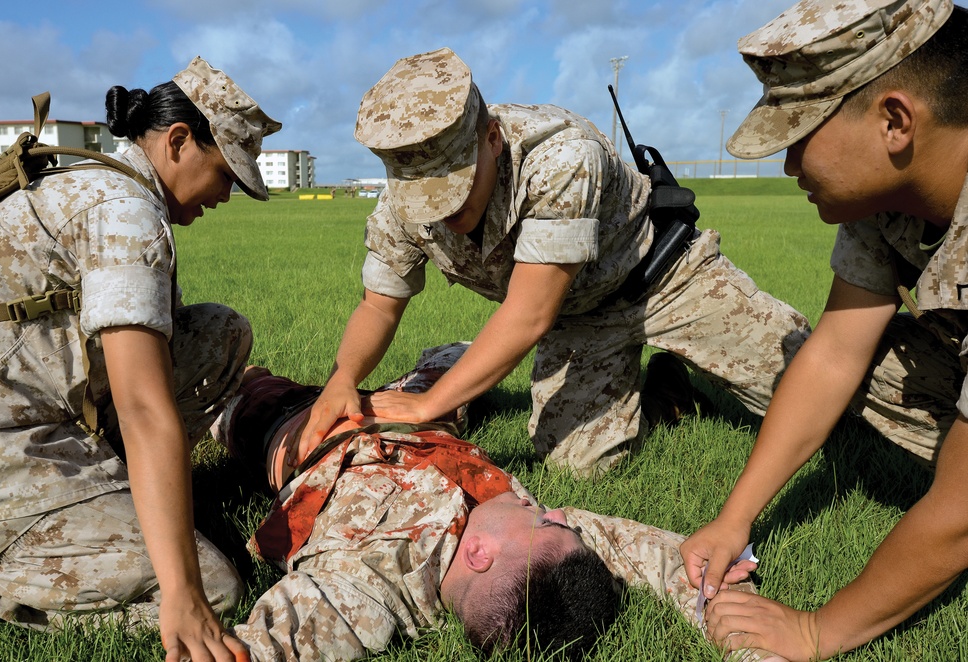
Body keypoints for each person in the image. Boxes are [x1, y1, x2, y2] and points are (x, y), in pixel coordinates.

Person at [298, 47, 810, 477]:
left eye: (452, 187)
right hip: (576, 315)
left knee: (811, 399)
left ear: (491, 139)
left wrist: (429, 405)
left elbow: (527, 314)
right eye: (425, 198)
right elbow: (379, 306)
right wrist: (342, 381)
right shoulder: (399, 205)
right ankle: (668, 393)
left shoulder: (561, 156)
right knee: (577, 465)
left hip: (664, 276)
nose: (444, 210)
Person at [679, 1, 968, 659]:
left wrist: (817, 630)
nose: (787, 167)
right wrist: (733, 521)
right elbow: (836, 353)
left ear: (895, 121)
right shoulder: (885, 197)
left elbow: (963, 512)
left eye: (800, 135)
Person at [0, 56, 280, 661]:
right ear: (179, 141)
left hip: (22, 400)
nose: (225, 195)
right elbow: (143, 406)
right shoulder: (123, 213)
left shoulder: (96, 177)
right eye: (225, 174)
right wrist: (182, 592)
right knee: (211, 587)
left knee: (220, 334)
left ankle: (115, 489)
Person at [209, 343, 775, 662]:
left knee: (236, 393)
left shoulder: (366, 587)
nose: (556, 512)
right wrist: (755, 649)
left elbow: (269, 646)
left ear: (478, 555)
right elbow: (684, 563)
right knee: (460, 357)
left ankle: (249, 387)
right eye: (557, 520)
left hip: (304, 433)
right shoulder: (542, 546)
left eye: (545, 520)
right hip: (422, 413)